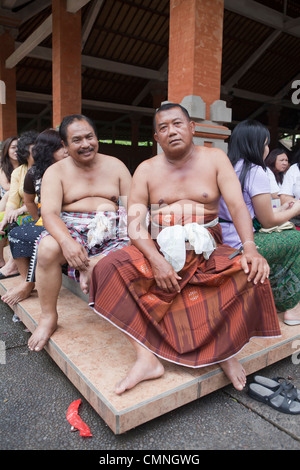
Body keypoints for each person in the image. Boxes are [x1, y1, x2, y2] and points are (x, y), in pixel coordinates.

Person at [89, 103, 281, 394]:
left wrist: (250, 248)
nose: (171, 131)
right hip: (159, 245)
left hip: (206, 246)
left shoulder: (215, 159)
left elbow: (238, 206)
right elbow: (135, 225)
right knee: (106, 268)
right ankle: (146, 359)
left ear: (191, 127)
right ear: (156, 137)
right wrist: (155, 260)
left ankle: (225, 353)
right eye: (163, 128)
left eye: (177, 124)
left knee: (252, 273)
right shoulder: (146, 169)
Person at [27, 114, 132, 352]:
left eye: (89, 137)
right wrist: (67, 242)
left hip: (111, 228)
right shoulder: (56, 172)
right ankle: (48, 317)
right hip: (72, 227)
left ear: (97, 137)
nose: (85, 144)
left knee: (134, 247)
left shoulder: (116, 166)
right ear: (64, 145)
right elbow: (50, 214)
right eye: (77, 140)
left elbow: (132, 207)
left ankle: (89, 265)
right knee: (47, 248)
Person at [218, 119, 300, 325]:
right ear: (255, 145)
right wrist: (298, 206)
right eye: (265, 144)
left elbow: (256, 210)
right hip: (240, 245)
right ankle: (293, 307)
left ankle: (273, 296)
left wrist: (282, 209)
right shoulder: (255, 170)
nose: (267, 149)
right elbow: (268, 221)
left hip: (220, 239)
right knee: (297, 238)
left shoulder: (228, 167)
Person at [1, 129, 67, 307]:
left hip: (67, 220)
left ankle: (28, 284)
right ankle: (26, 280)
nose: (66, 150)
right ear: (48, 149)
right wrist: (37, 218)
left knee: (40, 238)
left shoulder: (69, 168)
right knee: (15, 232)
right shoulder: (35, 172)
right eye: (60, 147)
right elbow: (29, 199)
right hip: (46, 218)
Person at [0, 130, 38, 279]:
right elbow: (13, 200)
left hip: (37, 211)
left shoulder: (45, 170)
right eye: (31, 147)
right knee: (6, 222)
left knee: (17, 223)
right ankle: (6, 263)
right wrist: (4, 219)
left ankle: (12, 267)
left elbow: (40, 198)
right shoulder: (18, 172)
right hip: (24, 210)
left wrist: (21, 210)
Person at [0, 136, 19, 213]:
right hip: (7, 196)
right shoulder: (3, 167)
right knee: (8, 193)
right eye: (13, 147)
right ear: (6, 150)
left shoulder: (25, 165)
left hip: (22, 195)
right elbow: (6, 186)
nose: (16, 150)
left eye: (18, 147)